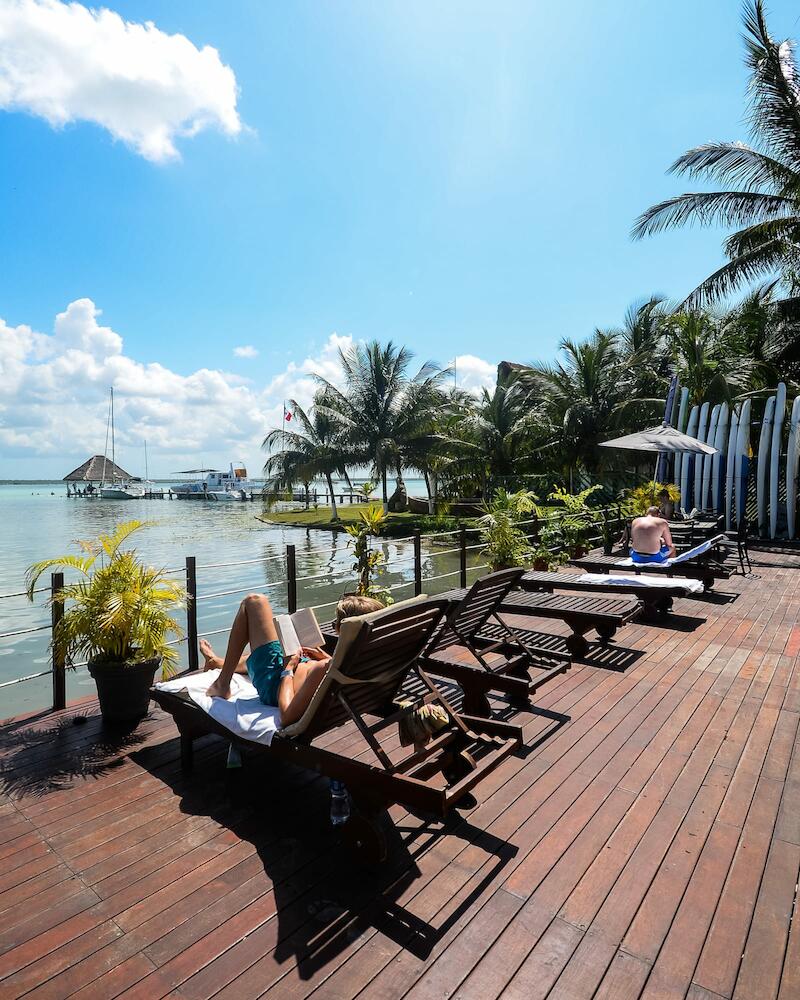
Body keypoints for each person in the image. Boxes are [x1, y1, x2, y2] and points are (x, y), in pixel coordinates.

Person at [202, 593, 383, 726]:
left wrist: (288, 668)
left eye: (337, 622)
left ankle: (222, 683)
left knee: (254, 602)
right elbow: (336, 671)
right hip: (300, 668)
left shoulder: (324, 668)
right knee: (279, 647)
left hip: (275, 684)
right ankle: (216, 662)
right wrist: (325, 657)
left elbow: (287, 715)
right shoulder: (365, 661)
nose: (335, 625)